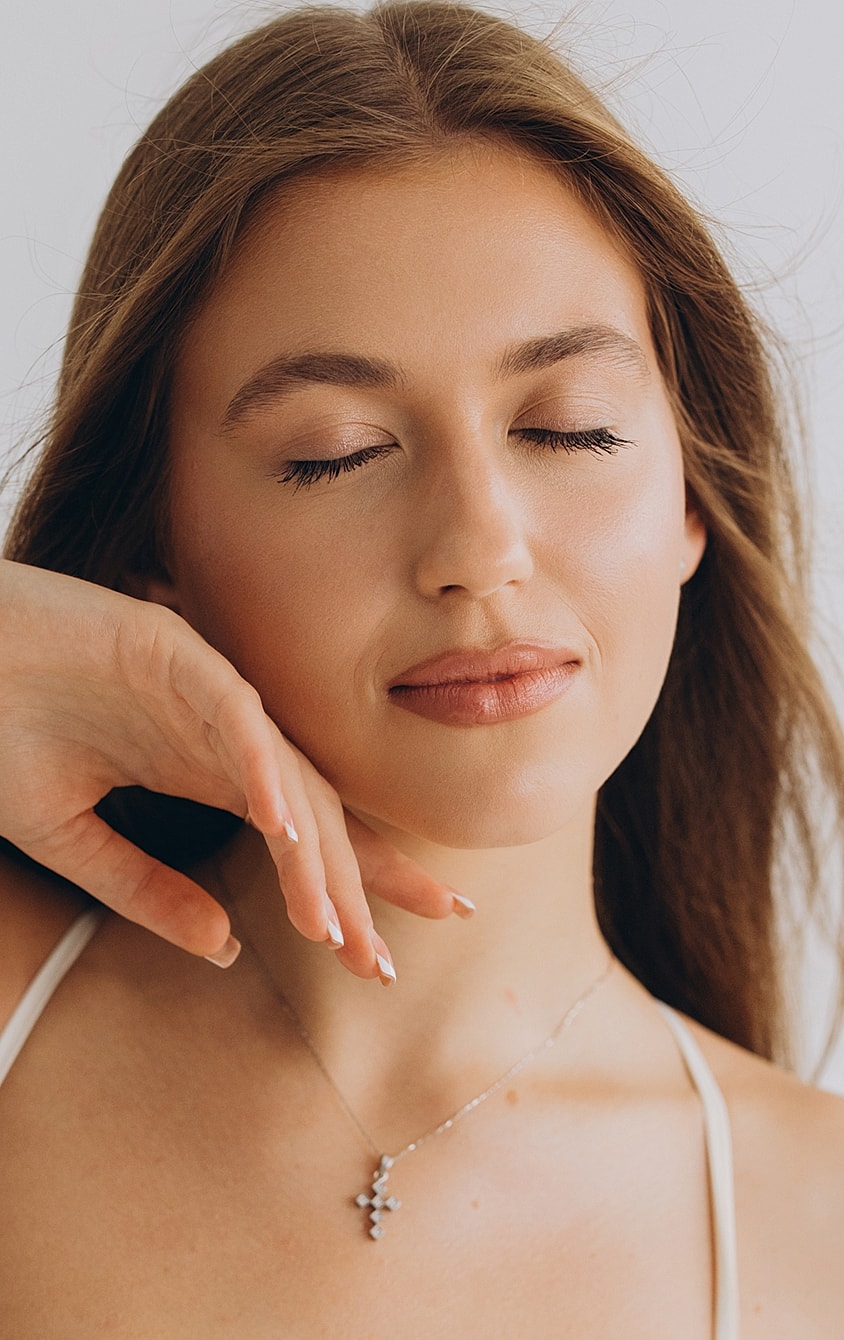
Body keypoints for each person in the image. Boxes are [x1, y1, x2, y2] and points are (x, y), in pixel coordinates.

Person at [1, 2, 843, 1334]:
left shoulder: (817, 1228)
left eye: (569, 429)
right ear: (156, 546)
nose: (478, 550)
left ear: (692, 495)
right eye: (335, 451)